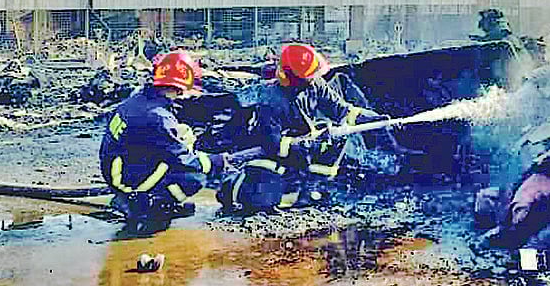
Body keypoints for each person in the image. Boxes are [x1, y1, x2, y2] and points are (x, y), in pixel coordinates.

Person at [218, 43, 388, 212]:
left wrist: (372, 118)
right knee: (261, 198)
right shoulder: (270, 101)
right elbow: (273, 145)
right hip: (275, 155)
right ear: (292, 79)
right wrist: (304, 145)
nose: (313, 79)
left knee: (336, 140)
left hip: (304, 148)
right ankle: (234, 185)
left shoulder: (315, 84)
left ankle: (311, 188)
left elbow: (340, 110)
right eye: (308, 77)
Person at [99, 49, 236, 233]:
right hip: (127, 178)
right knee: (195, 177)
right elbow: (183, 159)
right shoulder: (158, 117)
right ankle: (149, 207)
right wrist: (217, 161)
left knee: (181, 161)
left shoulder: (139, 99)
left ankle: (134, 198)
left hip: (118, 169)